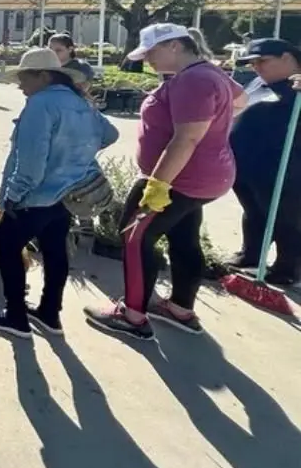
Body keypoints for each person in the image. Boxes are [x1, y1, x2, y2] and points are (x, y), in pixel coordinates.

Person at [85, 24, 245, 341]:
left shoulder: (193, 80)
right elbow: (239, 101)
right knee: (184, 236)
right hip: (205, 178)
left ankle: (132, 316)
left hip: (177, 179)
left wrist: (157, 185)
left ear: (174, 46)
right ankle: (180, 309)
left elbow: (185, 139)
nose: (148, 61)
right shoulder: (209, 74)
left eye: (151, 52)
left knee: (134, 236)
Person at [0, 49, 119, 338]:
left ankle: (16, 317)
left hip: (35, 196)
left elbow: (31, 161)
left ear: (43, 76)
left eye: (24, 77)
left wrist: (14, 196)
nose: (20, 85)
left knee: (7, 245)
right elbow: (110, 135)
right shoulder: (80, 102)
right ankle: (49, 314)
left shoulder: (40, 104)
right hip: (68, 195)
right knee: (55, 250)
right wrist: (75, 156)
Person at [228, 38, 301, 285]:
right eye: (252, 63)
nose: (257, 67)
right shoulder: (260, 83)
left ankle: (287, 268)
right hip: (248, 167)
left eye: (262, 61)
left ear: (287, 58)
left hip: (285, 168)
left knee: (286, 218)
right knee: (254, 212)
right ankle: (251, 255)